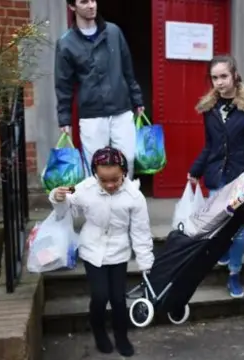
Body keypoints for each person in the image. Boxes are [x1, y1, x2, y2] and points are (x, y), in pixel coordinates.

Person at [49, 146, 154, 357]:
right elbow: (67, 206)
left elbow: (141, 231)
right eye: (103, 180)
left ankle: (121, 337)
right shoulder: (84, 188)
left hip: (119, 251)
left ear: (123, 171)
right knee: (100, 296)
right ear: (95, 173)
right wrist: (57, 196)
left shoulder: (134, 196)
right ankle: (99, 331)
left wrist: (145, 262)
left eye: (115, 179)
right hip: (92, 249)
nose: (110, 185)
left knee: (117, 298)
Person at [187, 55, 244, 299]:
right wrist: (195, 170)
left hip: (242, 178)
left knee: (236, 231)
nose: (219, 82)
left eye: (224, 76)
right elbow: (210, 145)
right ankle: (225, 253)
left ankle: (234, 274)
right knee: (218, 226)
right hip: (217, 176)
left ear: (235, 75)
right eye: (215, 77)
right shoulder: (210, 109)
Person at [55, 0, 144, 178]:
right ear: (72, 6)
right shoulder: (66, 43)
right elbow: (63, 85)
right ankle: (98, 206)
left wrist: (138, 100)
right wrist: (64, 119)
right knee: (95, 166)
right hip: (92, 115)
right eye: (84, 1)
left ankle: (124, 204)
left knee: (127, 160)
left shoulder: (113, 32)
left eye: (93, 0)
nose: (91, 5)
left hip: (121, 108)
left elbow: (128, 70)